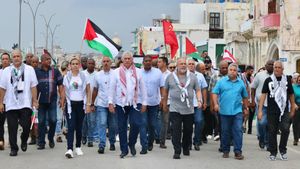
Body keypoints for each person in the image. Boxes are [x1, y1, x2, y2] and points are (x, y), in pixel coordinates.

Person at [108, 51, 147, 158]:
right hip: (121, 103)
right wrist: (110, 102)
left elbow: (143, 88)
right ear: (122, 60)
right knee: (121, 127)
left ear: (132, 60)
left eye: (129, 58)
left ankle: (132, 143)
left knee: (136, 124)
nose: (127, 60)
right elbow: (111, 88)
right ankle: (124, 149)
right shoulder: (116, 72)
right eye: (125, 58)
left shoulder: (138, 72)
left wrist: (144, 103)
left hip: (135, 103)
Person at [0, 49, 38, 156]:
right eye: (14, 56)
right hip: (11, 103)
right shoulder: (7, 71)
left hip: (25, 103)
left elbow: (33, 86)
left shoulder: (29, 69)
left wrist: (34, 100)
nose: (16, 58)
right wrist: (0, 102)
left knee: (26, 126)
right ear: (12, 58)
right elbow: (2, 88)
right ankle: (14, 148)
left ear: (22, 58)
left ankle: (24, 139)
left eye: (18, 56)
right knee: (12, 127)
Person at [162, 57, 202, 159]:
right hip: (175, 109)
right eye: (181, 64)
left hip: (189, 109)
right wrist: (164, 103)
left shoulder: (192, 77)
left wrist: (199, 100)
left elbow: (197, 90)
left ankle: (185, 147)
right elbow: (165, 91)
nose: (183, 65)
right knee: (176, 131)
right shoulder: (170, 77)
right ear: (177, 66)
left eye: (185, 64)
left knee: (188, 130)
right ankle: (177, 150)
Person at [258, 61, 295, 161]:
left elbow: (291, 95)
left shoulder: (287, 80)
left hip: (284, 110)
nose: (277, 69)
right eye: (275, 67)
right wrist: (260, 110)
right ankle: (273, 152)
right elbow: (263, 95)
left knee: (286, 129)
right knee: (272, 131)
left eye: (279, 67)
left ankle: (283, 150)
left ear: (282, 69)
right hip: (271, 111)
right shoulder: (268, 80)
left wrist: (292, 108)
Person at [212, 63, 249, 160]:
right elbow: (214, 93)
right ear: (228, 71)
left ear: (237, 72)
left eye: (234, 70)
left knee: (238, 130)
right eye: (231, 70)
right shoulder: (221, 82)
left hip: (237, 111)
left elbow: (245, 96)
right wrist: (215, 104)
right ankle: (225, 150)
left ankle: (238, 152)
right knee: (225, 131)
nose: (232, 71)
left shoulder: (241, 83)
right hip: (224, 111)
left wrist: (246, 108)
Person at [62, 56, 92, 158]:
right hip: (70, 105)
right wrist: (62, 102)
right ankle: (69, 149)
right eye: (73, 64)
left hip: (81, 105)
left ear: (79, 65)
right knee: (71, 127)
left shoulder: (84, 76)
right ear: (70, 66)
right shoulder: (67, 77)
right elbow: (64, 91)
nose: (75, 66)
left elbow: (88, 91)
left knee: (79, 127)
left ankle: (78, 146)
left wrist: (88, 104)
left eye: (76, 64)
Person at [35, 53, 64, 150]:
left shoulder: (55, 72)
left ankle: (51, 138)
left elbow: (60, 85)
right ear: (42, 61)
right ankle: (41, 142)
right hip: (41, 101)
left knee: (53, 120)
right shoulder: (36, 72)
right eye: (47, 59)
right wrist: (34, 100)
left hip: (52, 100)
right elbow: (33, 87)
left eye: (49, 59)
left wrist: (62, 98)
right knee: (41, 122)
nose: (49, 61)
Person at [92, 56, 118, 154]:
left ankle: (112, 142)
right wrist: (92, 103)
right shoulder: (97, 75)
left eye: (107, 61)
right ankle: (102, 145)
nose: (106, 63)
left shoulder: (115, 74)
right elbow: (95, 90)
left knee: (113, 125)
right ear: (101, 63)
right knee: (102, 123)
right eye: (104, 61)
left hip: (113, 104)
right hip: (101, 103)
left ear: (111, 63)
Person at [141, 55, 164, 153]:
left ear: (151, 62)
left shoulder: (158, 72)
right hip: (142, 103)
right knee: (143, 124)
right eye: (146, 61)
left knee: (152, 125)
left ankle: (150, 142)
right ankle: (144, 145)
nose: (148, 62)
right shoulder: (139, 72)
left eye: (149, 61)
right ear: (143, 62)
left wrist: (162, 99)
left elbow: (162, 87)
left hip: (154, 103)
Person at [251, 60, 274, 150]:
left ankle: (268, 143)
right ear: (265, 65)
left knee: (269, 124)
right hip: (260, 104)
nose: (271, 66)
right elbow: (253, 88)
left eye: (273, 64)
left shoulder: (276, 76)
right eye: (269, 64)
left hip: (272, 104)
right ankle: (261, 138)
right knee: (262, 123)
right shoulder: (259, 75)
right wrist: (252, 100)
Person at [187, 59, 207, 150]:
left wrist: (205, 101)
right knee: (188, 124)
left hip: (198, 103)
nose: (191, 65)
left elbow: (204, 89)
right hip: (187, 104)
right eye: (189, 64)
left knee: (199, 121)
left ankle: (197, 141)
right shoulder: (183, 75)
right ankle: (188, 142)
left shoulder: (200, 76)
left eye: (192, 64)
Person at [209, 60, 228, 148]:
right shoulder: (214, 77)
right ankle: (223, 144)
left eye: (226, 68)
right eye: (222, 68)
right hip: (219, 105)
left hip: (230, 104)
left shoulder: (232, 76)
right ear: (219, 68)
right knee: (221, 125)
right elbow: (212, 92)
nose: (225, 69)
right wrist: (212, 105)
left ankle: (229, 140)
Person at [82, 58, 97, 147]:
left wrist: (93, 102)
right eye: (89, 63)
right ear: (87, 64)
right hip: (83, 100)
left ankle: (90, 139)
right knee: (84, 121)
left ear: (94, 65)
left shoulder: (97, 74)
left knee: (91, 121)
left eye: (92, 63)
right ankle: (84, 136)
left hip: (93, 101)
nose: (91, 65)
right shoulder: (82, 74)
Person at [157, 57, 171, 148]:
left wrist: (164, 100)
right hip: (154, 100)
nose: (158, 63)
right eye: (157, 62)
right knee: (154, 120)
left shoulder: (170, 75)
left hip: (167, 101)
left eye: (160, 62)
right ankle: (155, 137)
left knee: (165, 121)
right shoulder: (155, 73)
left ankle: (162, 141)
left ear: (165, 63)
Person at [56, 61, 69, 142]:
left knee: (67, 116)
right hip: (60, 97)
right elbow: (59, 88)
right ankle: (58, 134)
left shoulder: (70, 75)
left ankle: (65, 130)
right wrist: (61, 98)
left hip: (69, 98)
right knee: (59, 117)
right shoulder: (60, 76)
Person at [0, 53, 11, 150]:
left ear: (10, 60)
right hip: (1, 101)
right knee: (0, 123)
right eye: (3, 59)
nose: (5, 60)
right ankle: (1, 141)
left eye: (7, 59)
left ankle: (12, 141)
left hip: (12, 101)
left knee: (12, 123)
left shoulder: (14, 71)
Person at [241, 65, 255, 134]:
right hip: (243, 98)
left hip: (250, 97)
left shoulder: (252, 78)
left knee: (249, 113)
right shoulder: (241, 76)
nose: (252, 73)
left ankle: (247, 127)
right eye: (251, 71)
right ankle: (243, 125)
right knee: (245, 113)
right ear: (247, 70)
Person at [292, 75, 300, 146]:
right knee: (296, 123)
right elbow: (291, 97)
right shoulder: (294, 87)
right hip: (297, 105)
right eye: (299, 80)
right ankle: (295, 139)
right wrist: (294, 104)